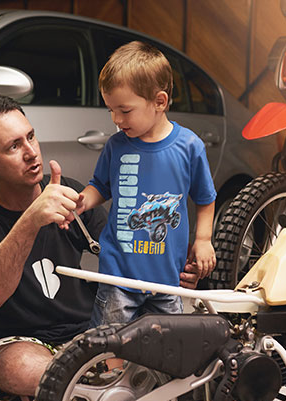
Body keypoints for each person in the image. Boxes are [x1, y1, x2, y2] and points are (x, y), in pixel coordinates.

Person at [0, 95, 200, 401]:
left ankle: (74, 395)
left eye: (31, 137)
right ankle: (109, 388)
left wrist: (171, 269)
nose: (31, 152)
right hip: (23, 343)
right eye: (13, 146)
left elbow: (125, 258)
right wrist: (30, 220)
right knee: (16, 367)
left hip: (88, 332)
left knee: (159, 328)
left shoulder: (69, 194)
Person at [78, 41, 217, 328]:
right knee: (109, 349)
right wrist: (82, 201)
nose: (117, 120)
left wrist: (203, 240)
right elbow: (100, 186)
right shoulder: (117, 146)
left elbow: (205, 199)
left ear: (159, 102)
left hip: (168, 281)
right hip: (118, 276)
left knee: (168, 355)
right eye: (111, 111)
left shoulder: (189, 146)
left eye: (125, 110)